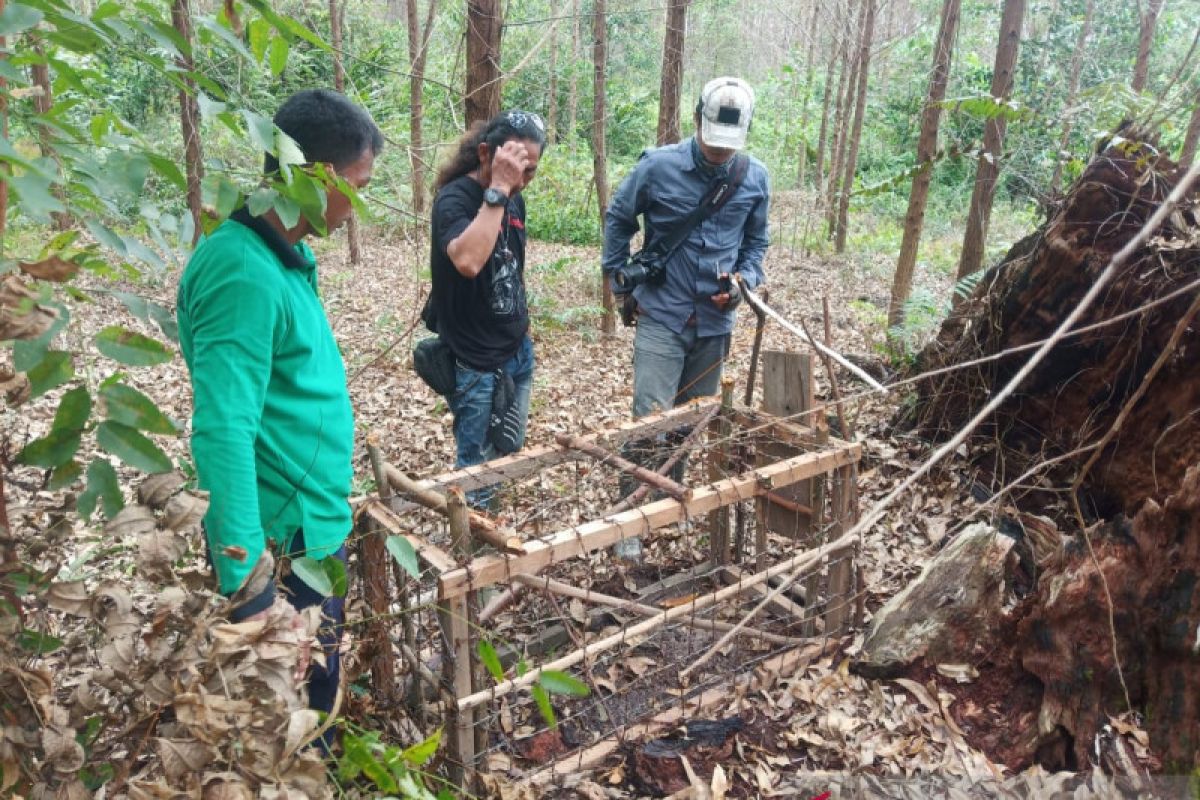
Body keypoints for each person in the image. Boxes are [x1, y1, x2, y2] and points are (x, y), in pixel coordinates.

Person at [177, 88, 382, 746]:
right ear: (316, 178)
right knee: (284, 726)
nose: (359, 203)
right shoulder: (242, 270)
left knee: (315, 701)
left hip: (311, 532)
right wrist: (249, 590)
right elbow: (223, 428)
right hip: (277, 554)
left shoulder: (288, 255)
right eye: (359, 183)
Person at [602, 77, 770, 559]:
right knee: (650, 418)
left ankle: (667, 503)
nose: (719, 153)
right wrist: (620, 279)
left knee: (690, 422)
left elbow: (756, 244)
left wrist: (744, 281)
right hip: (661, 313)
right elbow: (618, 218)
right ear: (697, 120)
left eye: (728, 147)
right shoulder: (658, 167)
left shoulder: (755, 178)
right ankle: (629, 523)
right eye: (712, 141)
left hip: (715, 326)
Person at [425, 110, 546, 481]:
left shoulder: (514, 197)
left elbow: (511, 267)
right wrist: (498, 189)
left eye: (530, 171)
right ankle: (474, 533)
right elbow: (468, 261)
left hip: (516, 352)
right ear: (484, 155)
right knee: (476, 467)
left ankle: (487, 521)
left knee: (509, 446)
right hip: (474, 361)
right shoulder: (455, 199)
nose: (521, 181)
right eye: (513, 167)